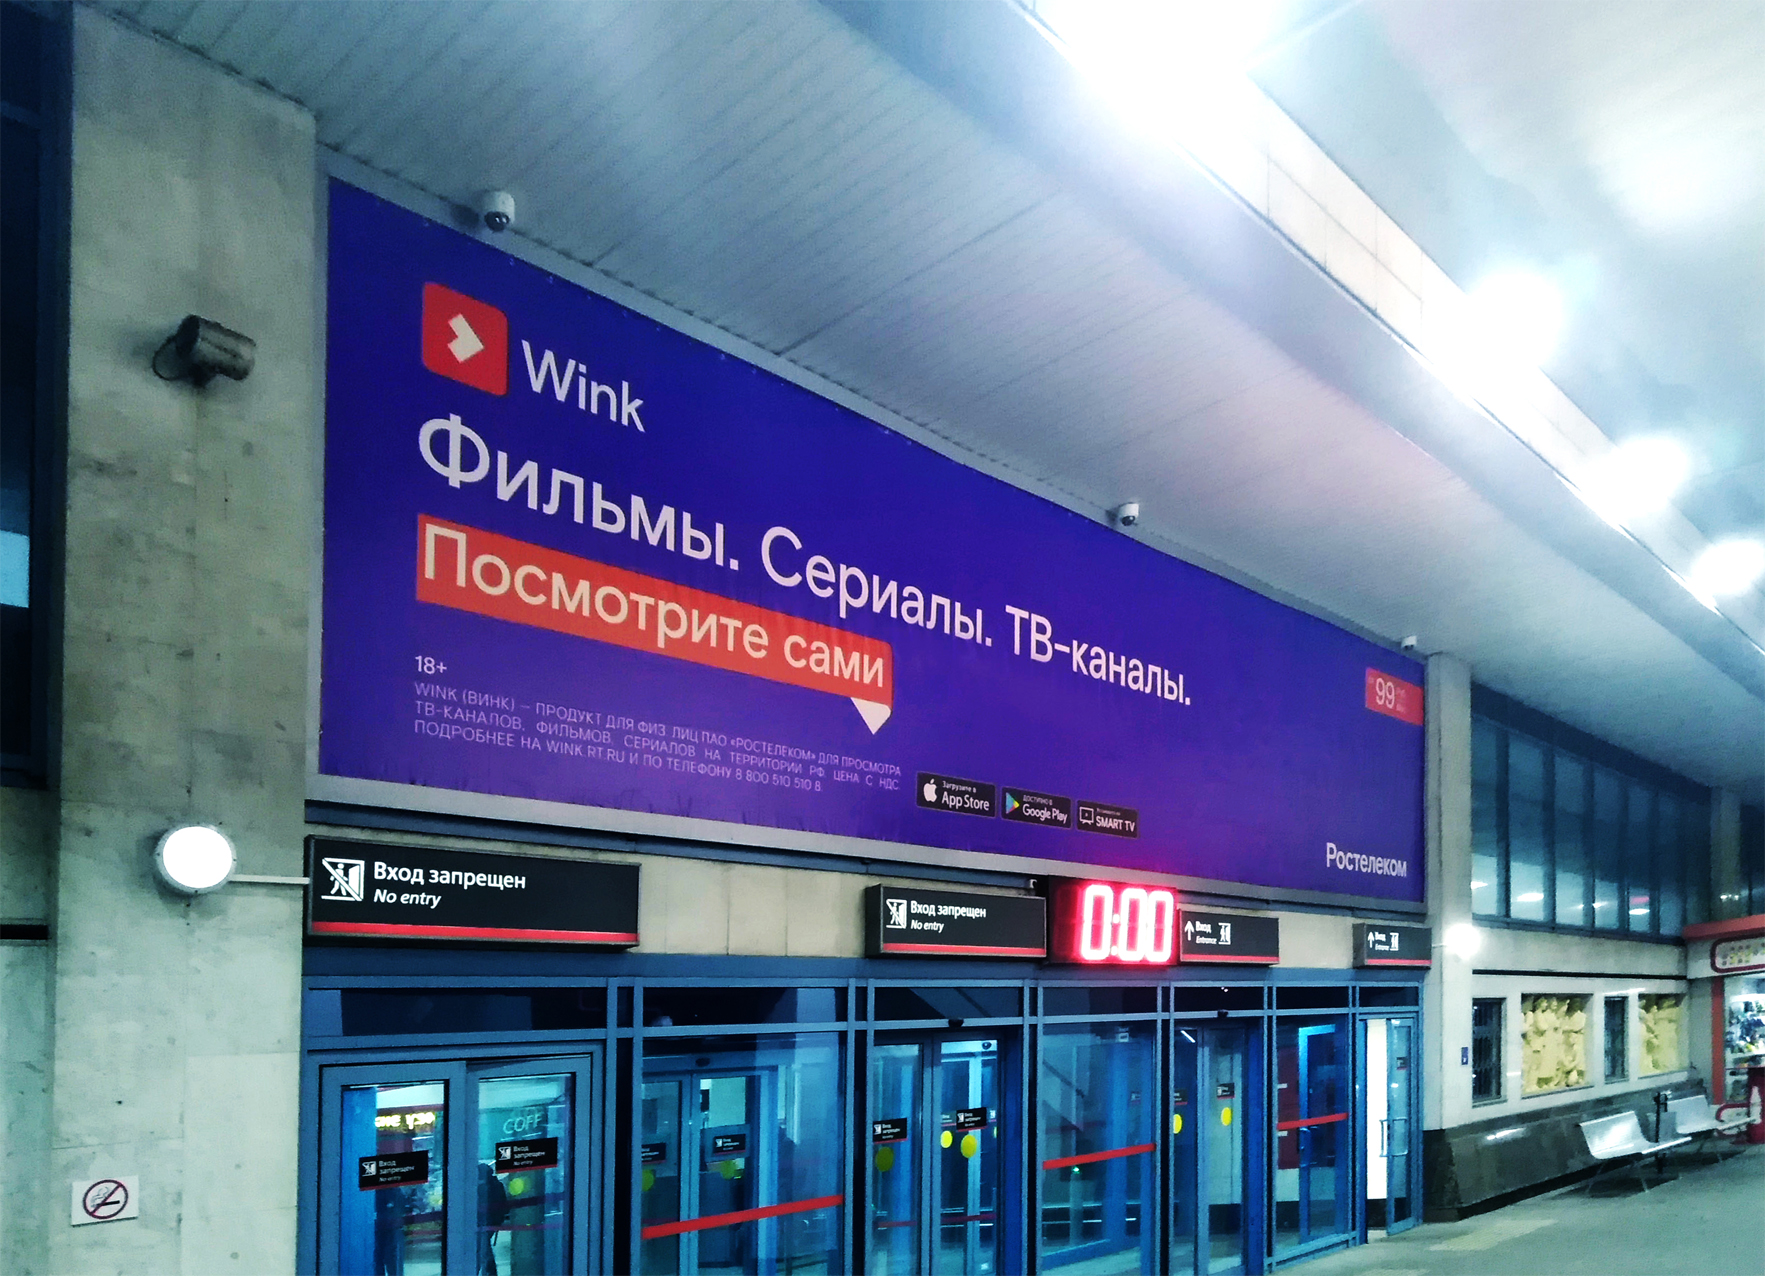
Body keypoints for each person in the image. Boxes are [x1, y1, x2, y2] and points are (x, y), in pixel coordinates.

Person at [478, 1161, 511, 1275]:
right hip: (492, 1222)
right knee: (485, 1248)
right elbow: (504, 1206)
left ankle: (486, 1271)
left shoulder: (481, 1187)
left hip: (486, 1222)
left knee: (483, 1250)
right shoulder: (497, 1185)